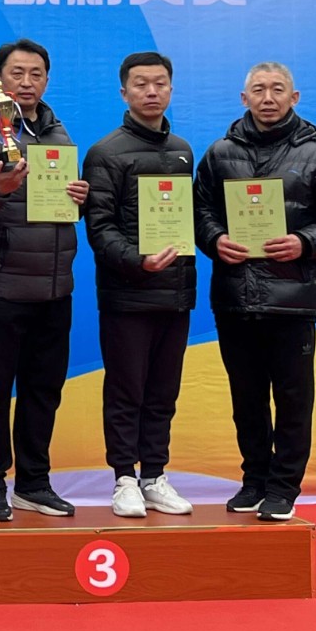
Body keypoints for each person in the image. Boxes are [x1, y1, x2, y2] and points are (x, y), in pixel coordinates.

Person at [193, 61, 316, 521]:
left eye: (278, 89)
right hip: (234, 297)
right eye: (259, 90)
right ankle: (254, 480)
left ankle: (284, 488)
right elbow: (200, 210)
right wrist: (214, 239)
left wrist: (304, 242)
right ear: (244, 98)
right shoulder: (219, 153)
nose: (268, 98)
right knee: (246, 398)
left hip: (293, 299)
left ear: (294, 97)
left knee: (292, 400)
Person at [0, 38, 89, 522]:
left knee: (43, 390)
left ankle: (34, 483)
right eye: (17, 73)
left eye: (36, 74)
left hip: (54, 284)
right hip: (1, 283)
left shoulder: (58, 133)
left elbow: (60, 205)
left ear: (47, 80)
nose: (27, 83)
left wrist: (80, 196)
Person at [82, 52, 198, 519]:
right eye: (141, 84)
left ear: (171, 88)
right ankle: (124, 479)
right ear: (124, 92)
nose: (152, 91)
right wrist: (137, 261)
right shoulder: (105, 152)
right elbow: (99, 227)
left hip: (176, 292)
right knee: (126, 390)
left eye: (160, 83)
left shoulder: (183, 150)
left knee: (163, 393)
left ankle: (154, 475)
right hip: (127, 293)